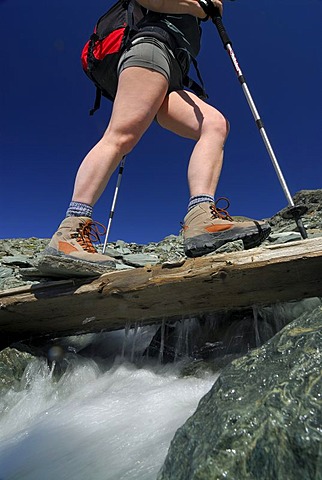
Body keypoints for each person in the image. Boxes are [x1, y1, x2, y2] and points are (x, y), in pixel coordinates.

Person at [45, 0, 270, 267]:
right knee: (122, 134)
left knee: (214, 124)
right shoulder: (193, 5)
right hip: (150, 48)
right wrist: (198, 8)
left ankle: (201, 217)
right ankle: (70, 231)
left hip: (172, 69)